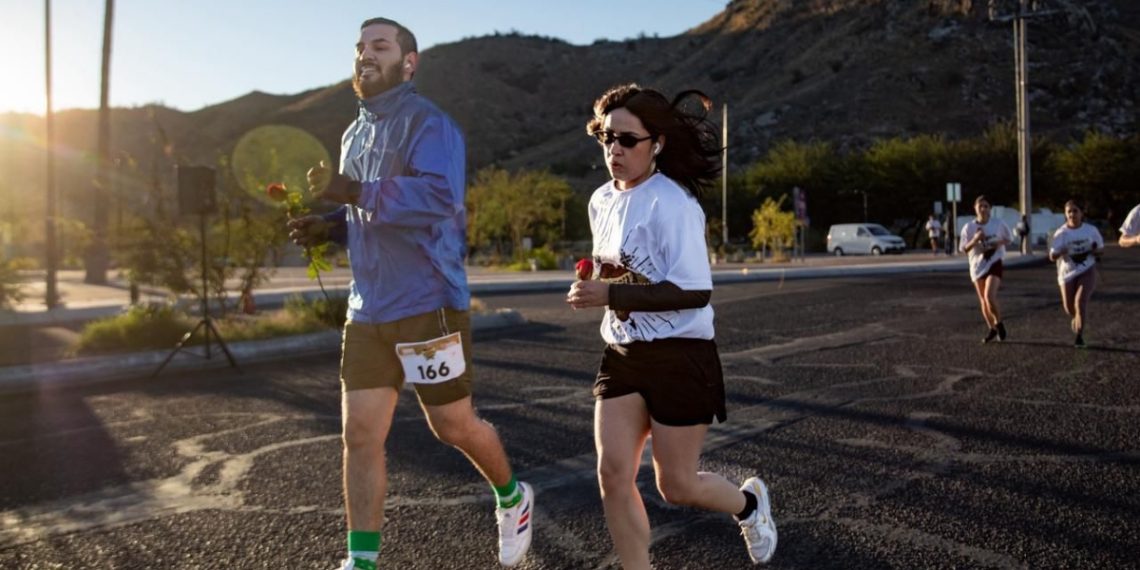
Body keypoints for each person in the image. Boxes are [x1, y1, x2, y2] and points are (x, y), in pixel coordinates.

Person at [287, 18, 533, 569]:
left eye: (379, 45)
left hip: (427, 304)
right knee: (359, 435)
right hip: (367, 308)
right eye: (359, 47)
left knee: (452, 427)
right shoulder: (354, 134)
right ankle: (362, 561)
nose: (365, 54)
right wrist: (332, 222)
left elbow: (437, 197)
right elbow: (365, 212)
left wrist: (350, 190)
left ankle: (513, 497)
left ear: (409, 61)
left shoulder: (431, 123)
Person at [566, 83, 777, 568]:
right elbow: (620, 268)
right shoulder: (601, 200)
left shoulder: (674, 204)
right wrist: (594, 284)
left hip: (681, 354)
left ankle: (749, 505)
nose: (614, 149)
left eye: (627, 140)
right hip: (622, 353)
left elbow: (694, 291)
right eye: (606, 138)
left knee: (676, 485)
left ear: (656, 143)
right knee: (613, 473)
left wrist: (613, 294)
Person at [1050, 200, 1105, 347]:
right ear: (1065, 214)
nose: (1072, 214)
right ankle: (1077, 319)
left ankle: (1079, 336)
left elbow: (1101, 249)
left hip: (1087, 269)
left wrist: (1094, 251)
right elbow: (1052, 256)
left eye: (1075, 211)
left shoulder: (1091, 230)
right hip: (1067, 272)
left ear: (1081, 213)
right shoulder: (1061, 233)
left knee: (1080, 301)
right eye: (1069, 211)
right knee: (1069, 308)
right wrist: (1061, 252)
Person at [960, 195, 1013, 344]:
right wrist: (975, 239)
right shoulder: (969, 227)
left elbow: (1009, 239)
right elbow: (964, 249)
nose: (983, 209)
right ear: (975, 208)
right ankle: (992, 328)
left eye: (986, 206)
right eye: (980, 206)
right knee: (983, 300)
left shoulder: (998, 223)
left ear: (990, 209)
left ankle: (999, 322)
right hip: (977, 266)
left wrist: (997, 243)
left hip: (994, 262)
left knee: (989, 295)